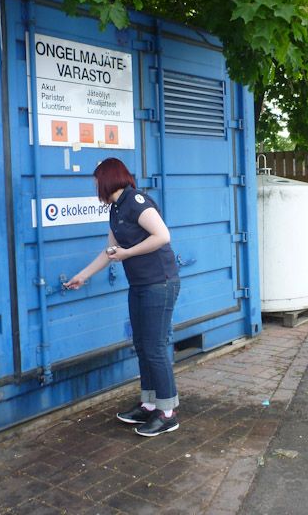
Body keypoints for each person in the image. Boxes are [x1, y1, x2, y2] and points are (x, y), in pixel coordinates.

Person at [65, 158, 181, 437]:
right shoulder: (116, 209)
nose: (95, 187)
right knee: (142, 345)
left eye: (96, 182)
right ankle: (149, 405)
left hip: (159, 283)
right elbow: (110, 251)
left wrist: (128, 254)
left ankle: (167, 413)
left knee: (154, 347)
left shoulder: (137, 201)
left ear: (106, 179)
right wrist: (84, 275)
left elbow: (162, 235)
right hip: (139, 285)